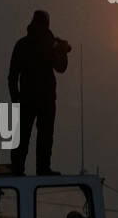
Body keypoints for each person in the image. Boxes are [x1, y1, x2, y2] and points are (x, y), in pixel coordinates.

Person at [7, 9, 70, 175]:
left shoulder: (25, 44)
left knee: (35, 136)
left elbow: (13, 75)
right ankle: (36, 168)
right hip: (39, 100)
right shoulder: (48, 44)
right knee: (36, 136)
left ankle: (21, 168)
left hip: (35, 99)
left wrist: (16, 98)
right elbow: (61, 67)